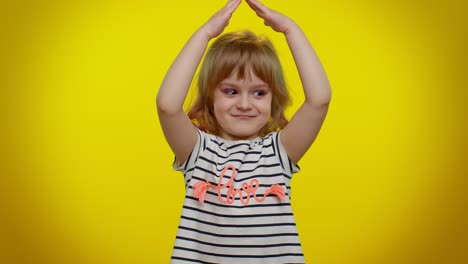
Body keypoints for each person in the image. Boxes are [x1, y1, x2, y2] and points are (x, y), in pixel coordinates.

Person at [156, 0, 331, 263]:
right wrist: (204, 34)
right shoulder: (198, 151)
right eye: (231, 91)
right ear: (210, 97)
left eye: (259, 92)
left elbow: (319, 100)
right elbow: (167, 106)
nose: (245, 104)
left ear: (273, 99)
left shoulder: (279, 152)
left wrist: (291, 30)